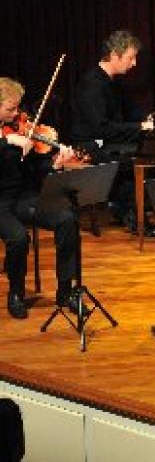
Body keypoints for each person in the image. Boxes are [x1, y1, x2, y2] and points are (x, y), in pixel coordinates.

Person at [0, 77, 82, 320]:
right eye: (10, 109)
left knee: (66, 219)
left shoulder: (23, 129)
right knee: (18, 238)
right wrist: (5, 141)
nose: (17, 115)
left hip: (24, 197)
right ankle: (16, 293)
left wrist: (56, 164)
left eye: (18, 108)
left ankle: (65, 291)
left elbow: (37, 168)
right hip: (0, 204)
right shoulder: (9, 136)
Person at [70, 30, 155, 236]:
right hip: (88, 146)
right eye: (131, 58)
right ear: (114, 55)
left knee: (141, 154)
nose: (135, 63)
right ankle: (132, 216)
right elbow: (101, 128)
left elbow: (130, 111)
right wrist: (139, 127)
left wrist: (149, 119)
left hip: (105, 142)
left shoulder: (112, 82)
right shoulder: (91, 84)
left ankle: (126, 211)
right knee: (134, 161)